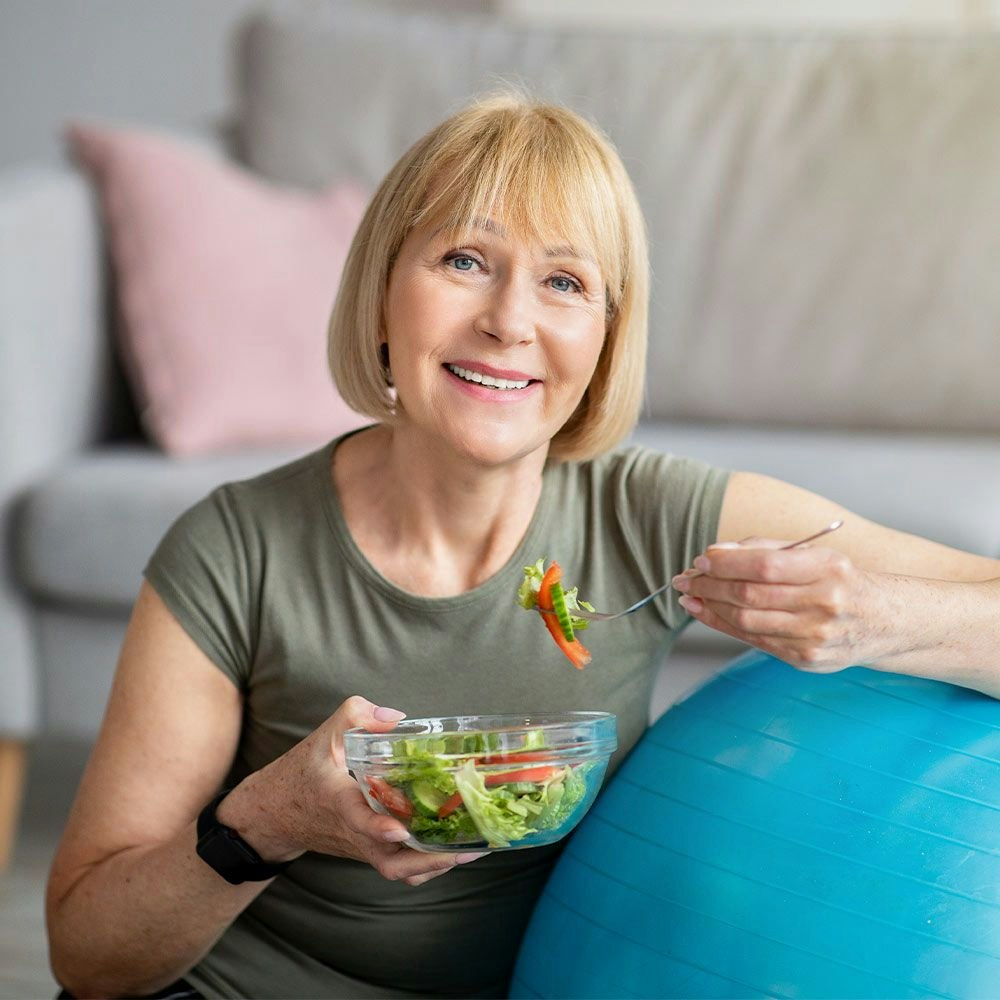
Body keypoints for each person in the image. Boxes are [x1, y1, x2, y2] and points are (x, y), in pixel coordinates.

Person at [46, 92, 1000, 1000]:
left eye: (564, 282)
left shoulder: (651, 516)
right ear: (383, 293)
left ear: (603, 341)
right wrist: (272, 819)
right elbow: (91, 960)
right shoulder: (232, 549)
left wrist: (883, 619)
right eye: (465, 260)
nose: (510, 321)